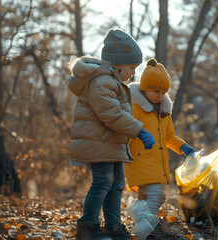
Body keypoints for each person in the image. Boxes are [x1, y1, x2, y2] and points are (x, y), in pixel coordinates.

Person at [67, 29, 156, 240]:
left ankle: (113, 226)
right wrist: (139, 130)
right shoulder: (102, 82)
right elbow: (111, 115)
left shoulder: (113, 82)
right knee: (102, 182)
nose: (133, 73)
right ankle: (87, 227)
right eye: (131, 68)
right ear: (117, 65)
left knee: (116, 185)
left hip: (111, 144)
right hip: (98, 144)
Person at [124, 58, 196, 224]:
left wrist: (183, 147)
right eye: (155, 90)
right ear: (144, 88)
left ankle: (139, 225)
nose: (159, 95)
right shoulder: (135, 107)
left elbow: (169, 137)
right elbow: (126, 130)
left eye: (163, 92)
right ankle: (145, 225)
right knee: (158, 195)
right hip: (139, 161)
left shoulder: (164, 112)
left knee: (144, 199)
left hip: (155, 164)